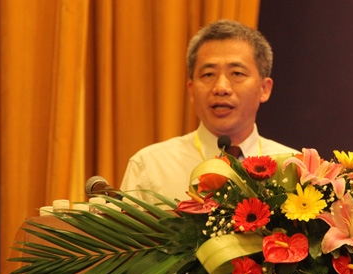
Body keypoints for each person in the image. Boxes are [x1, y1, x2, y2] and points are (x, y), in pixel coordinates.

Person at [120, 19, 297, 202]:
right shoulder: (150, 167)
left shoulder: (294, 169)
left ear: (264, 89)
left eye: (237, 73)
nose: (221, 87)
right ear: (191, 90)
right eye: (208, 74)